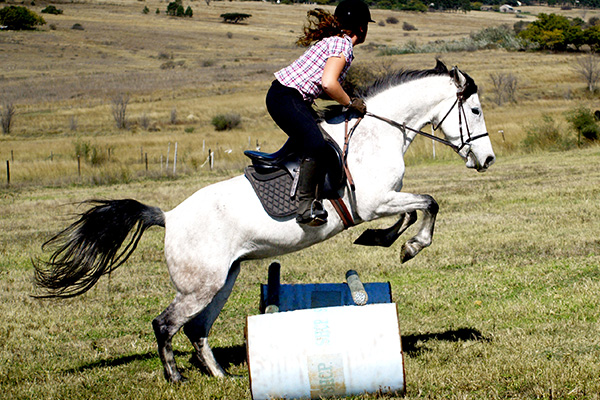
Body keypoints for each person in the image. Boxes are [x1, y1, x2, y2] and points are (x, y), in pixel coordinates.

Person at [266, 0, 374, 226]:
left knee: (318, 137)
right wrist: (351, 102)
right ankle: (305, 207)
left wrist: (345, 97)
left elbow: (323, 85)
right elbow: (328, 84)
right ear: (362, 28)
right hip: (286, 97)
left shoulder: (335, 42)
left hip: (287, 96)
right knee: (316, 144)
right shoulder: (342, 46)